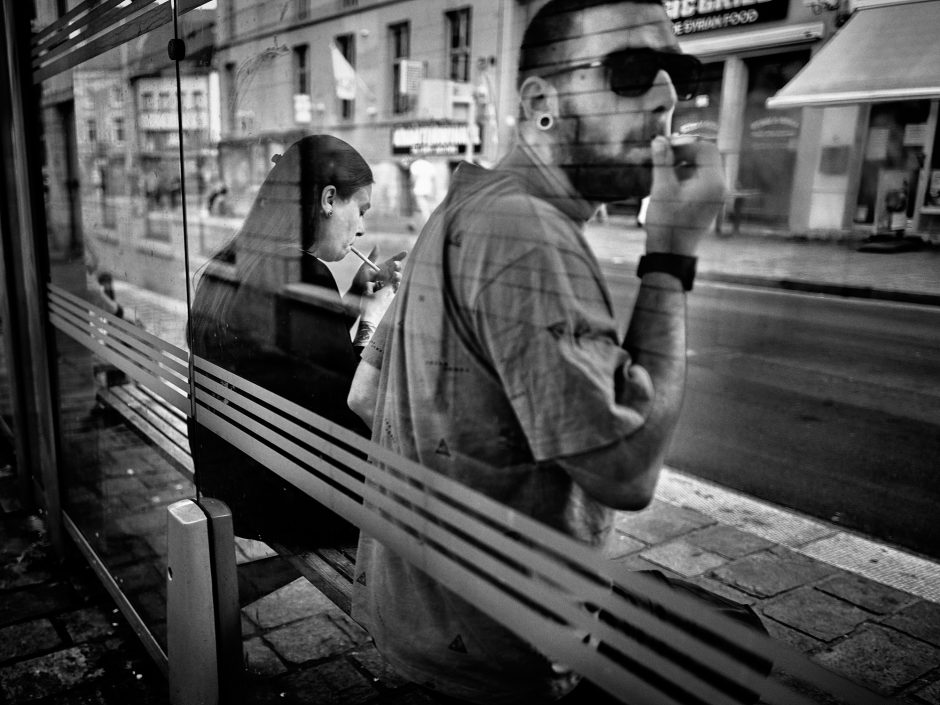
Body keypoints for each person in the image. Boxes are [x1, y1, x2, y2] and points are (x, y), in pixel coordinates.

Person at [347, 1, 742, 702]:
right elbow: (626, 472)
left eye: (678, 72)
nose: (666, 97)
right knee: (735, 645)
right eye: (629, 71)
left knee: (724, 624)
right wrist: (672, 251)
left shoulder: (461, 205)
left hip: (416, 618)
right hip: (505, 655)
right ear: (540, 104)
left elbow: (367, 392)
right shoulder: (527, 231)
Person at [188, 134, 405, 547]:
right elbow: (352, 405)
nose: (360, 228)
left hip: (230, 481)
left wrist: (360, 301)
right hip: (285, 506)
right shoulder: (298, 272)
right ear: (327, 199)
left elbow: (301, 376)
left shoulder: (230, 262)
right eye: (360, 210)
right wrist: (379, 319)